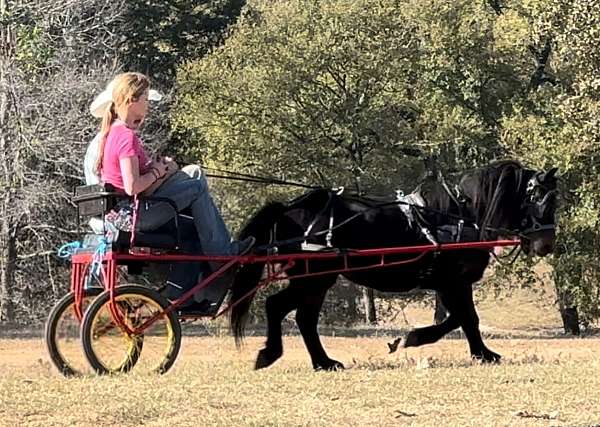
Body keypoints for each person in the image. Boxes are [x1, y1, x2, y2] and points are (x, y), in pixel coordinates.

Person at [89, 72, 255, 315]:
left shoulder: (113, 132)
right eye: (145, 99)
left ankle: (199, 278)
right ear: (132, 100)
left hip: (128, 213)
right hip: (135, 217)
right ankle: (222, 254)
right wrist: (158, 172)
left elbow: (139, 187)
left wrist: (163, 170)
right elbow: (132, 187)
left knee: (191, 176)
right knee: (197, 178)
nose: (148, 106)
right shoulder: (125, 136)